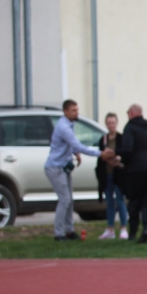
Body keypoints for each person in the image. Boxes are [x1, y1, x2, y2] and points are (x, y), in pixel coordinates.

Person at [44, 99, 114, 242]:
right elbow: (78, 144)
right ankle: (59, 233)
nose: (77, 113)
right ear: (65, 112)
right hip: (55, 167)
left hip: (64, 167)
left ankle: (69, 230)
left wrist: (75, 153)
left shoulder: (70, 124)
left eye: (77, 109)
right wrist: (100, 154)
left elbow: (71, 145)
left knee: (69, 200)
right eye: (73, 110)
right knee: (64, 200)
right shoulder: (64, 127)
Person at [115, 105, 147, 244]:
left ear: (131, 113)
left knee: (135, 201)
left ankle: (133, 232)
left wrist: (118, 155)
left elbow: (128, 150)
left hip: (137, 171)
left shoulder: (130, 127)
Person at [97, 113, 128, 240]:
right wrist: (108, 158)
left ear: (117, 123)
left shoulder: (122, 138)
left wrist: (117, 158)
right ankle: (110, 229)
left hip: (118, 176)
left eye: (113, 123)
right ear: (106, 124)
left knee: (120, 201)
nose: (111, 125)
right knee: (109, 202)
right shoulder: (103, 140)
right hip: (107, 175)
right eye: (109, 123)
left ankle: (123, 228)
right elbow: (101, 157)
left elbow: (125, 154)